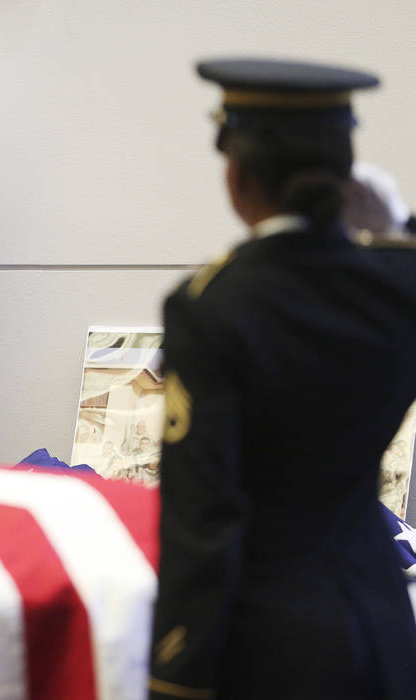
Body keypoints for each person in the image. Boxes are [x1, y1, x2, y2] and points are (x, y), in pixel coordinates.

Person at [148, 58, 416, 699]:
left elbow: (203, 518)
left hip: (271, 645)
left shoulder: (210, 305)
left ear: (236, 175)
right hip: (383, 619)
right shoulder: (399, 285)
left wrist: (174, 676)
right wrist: (399, 233)